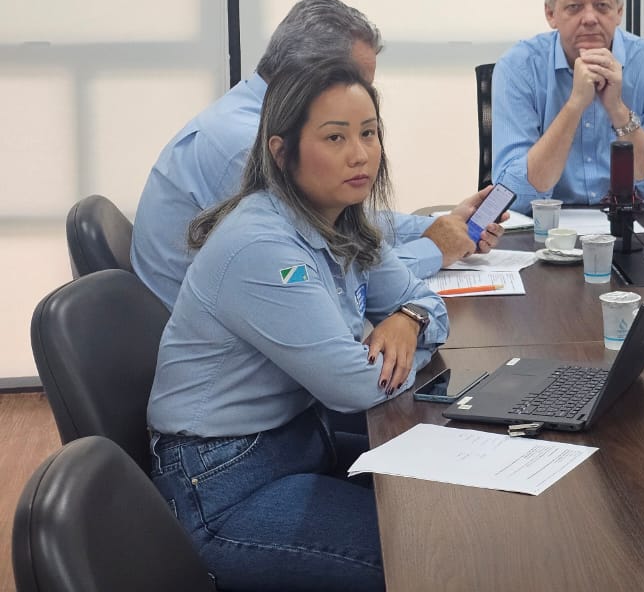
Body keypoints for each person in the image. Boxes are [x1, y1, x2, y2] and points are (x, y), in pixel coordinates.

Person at [148, 59, 444, 592]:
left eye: (369, 133)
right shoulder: (263, 245)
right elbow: (354, 386)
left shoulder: (344, 218)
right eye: (335, 137)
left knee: (453, 513)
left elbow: (427, 304)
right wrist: (406, 337)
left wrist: (409, 320)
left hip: (299, 441)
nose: (360, 154)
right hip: (221, 483)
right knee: (429, 557)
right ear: (282, 152)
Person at [133, 0, 502, 309]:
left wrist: (442, 227)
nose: (364, 102)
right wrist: (433, 249)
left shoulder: (260, 114)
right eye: (353, 86)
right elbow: (332, 273)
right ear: (308, 75)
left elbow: (343, 226)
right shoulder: (249, 145)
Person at [492, 0, 644, 214]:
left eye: (602, 6)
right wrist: (575, 105)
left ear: (619, 11)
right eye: (574, 7)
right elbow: (508, 198)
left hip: (631, 228)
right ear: (550, 14)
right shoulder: (518, 68)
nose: (589, 19)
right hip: (545, 229)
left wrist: (618, 110)